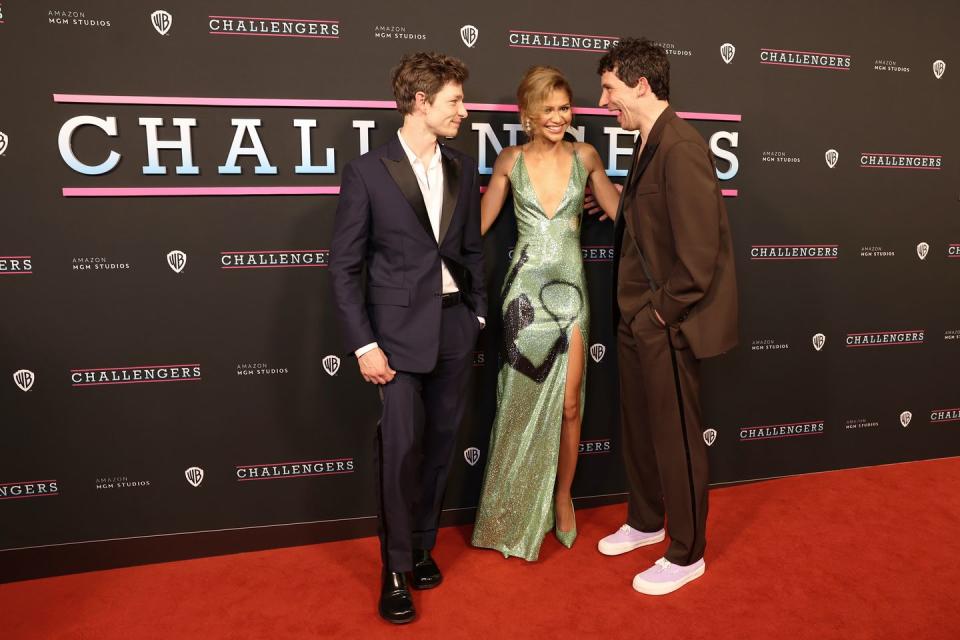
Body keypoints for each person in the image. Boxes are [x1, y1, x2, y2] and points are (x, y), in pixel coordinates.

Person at [329, 51, 487, 624]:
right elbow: (344, 267)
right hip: (393, 338)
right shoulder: (369, 171)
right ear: (420, 103)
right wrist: (364, 345)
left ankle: (422, 546)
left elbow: (471, 251)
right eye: (454, 102)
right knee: (399, 454)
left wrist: (477, 315)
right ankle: (394, 569)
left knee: (441, 446)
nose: (463, 112)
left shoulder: (465, 169)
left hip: (452, 327)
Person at [595, 38, 738, 595]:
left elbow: (700, 257)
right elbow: (649, 225)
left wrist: (659, 315)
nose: (604, 101)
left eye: (609, 89)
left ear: (641, 85)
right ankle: (647, 520)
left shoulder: (680, 146)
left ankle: (687, 553)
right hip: (635, 318)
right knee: (640, 429)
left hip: (665, 322)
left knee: (676, 438)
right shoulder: (648, 142)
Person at [471, 66, 620, 560]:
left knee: (570, 402)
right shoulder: (509, 160)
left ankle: (562, 496)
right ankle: (508, 507)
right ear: (528, 116)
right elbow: (478, 225)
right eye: (548, 110)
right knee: (516, 403)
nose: (559, 118)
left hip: (571, 292)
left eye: (564, 107)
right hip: (524, 295)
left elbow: (623, 213)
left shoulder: (586, 156)